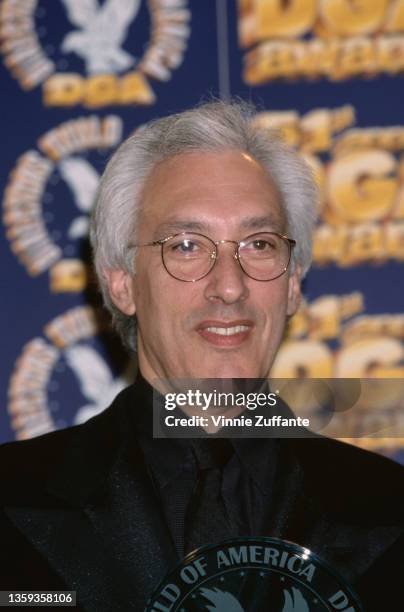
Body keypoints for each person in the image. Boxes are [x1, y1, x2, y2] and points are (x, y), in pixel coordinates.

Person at [1, 101, 403, 611]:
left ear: (293, 284)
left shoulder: (390, 508)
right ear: (122, 283)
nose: (230, 287)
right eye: (188, 245)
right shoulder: (12, 502)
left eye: (259, 244)